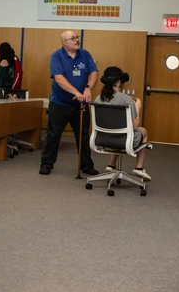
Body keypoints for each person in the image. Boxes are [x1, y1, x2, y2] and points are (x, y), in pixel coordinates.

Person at [39, 30, 99, 175]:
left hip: (81, 104)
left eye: (77, 37)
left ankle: (86, 165)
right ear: (64, 42)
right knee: (53, 135)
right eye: (73, 38)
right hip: (60, 103)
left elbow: (94, 72)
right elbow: (59, 78)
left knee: (83, 135)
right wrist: (76, 92)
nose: (77, 40)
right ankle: (47, 163)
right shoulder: (57, 56)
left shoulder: (85, 54)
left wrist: (88, 88)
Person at [98, 66, 151, 181]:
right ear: (118, 82)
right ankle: (139, 168)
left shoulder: (98, 98)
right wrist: (137, 108)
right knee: (143, 131)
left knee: (117, 129)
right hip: (122, 140)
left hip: (102, 139)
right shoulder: (126, 99)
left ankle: (111, 165)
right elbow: (135, 126)